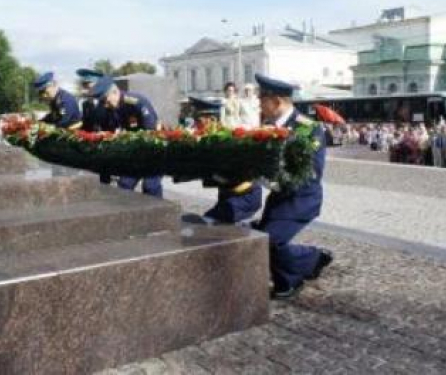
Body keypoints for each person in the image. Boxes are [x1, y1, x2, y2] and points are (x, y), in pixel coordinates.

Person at [253, 73, 332, 300]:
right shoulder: (268, 126)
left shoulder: (308, 128)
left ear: (276, 101)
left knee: (271, 240)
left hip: (301, 199)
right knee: (262, 240)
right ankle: (295, 274)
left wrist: (273, 180)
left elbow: (311, 173)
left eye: (262, 100)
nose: (259, 104)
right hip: (279, 198)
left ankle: (305, 266)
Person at [180, 97, 262, 225]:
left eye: (199, 120)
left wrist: (205, 171)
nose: (195, 124)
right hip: (228, 196)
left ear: (212, 120)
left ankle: (256, 229)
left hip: (245, 196)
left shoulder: (227, 141)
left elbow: (235, 175)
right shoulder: (207, 140)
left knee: (208, 222)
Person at [90, 76, 163, 197]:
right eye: (103, 102)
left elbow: (151, 131)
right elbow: (114, 129)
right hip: (135, 152)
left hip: (153, 150)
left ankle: (160, 214)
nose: (106, 105)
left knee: (150, 187)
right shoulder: (111, 108)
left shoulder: (136, 102)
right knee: (124, 185)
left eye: (106, 100)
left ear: (115, 92)